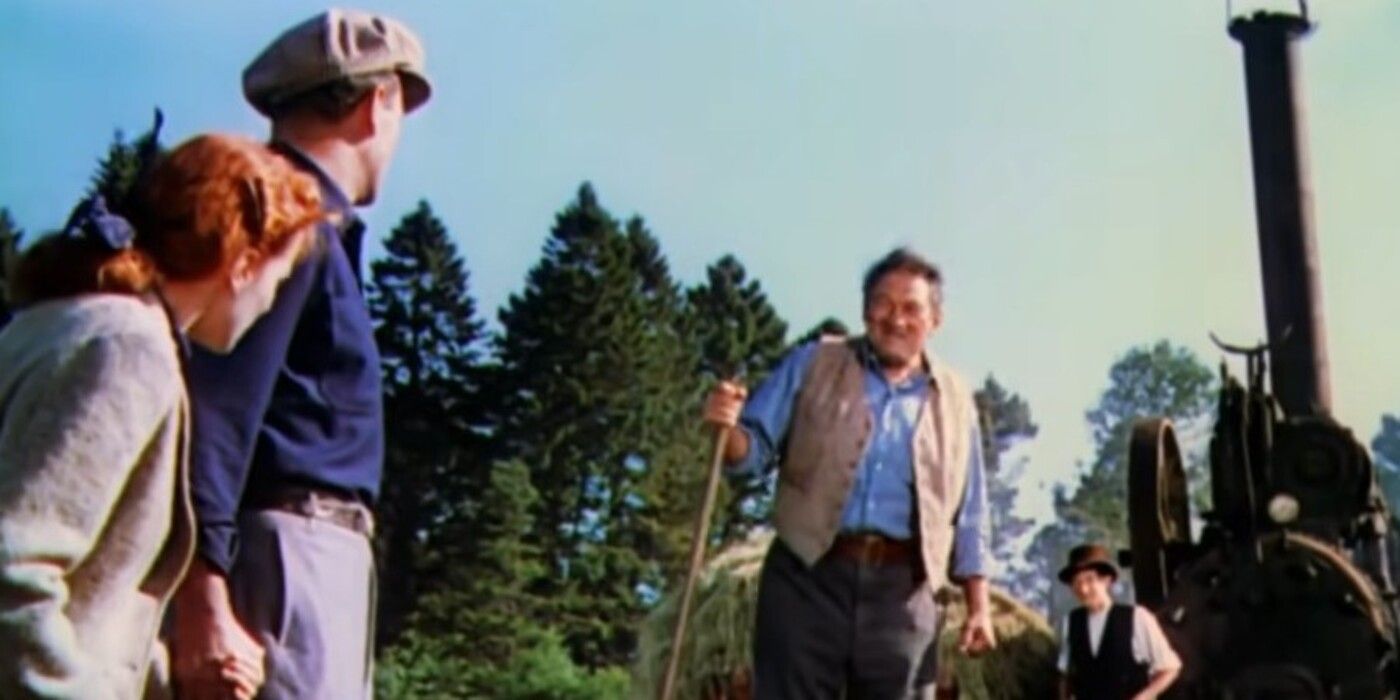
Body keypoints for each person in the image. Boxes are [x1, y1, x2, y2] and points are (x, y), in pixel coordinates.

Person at [168, 8, 431, 699]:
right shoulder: (288, 224)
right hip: (284, 557)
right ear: (380, 104)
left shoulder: (303, 225)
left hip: (312, 560)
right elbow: (214, 412)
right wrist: (205, 594)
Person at [0, 133, 320, 700]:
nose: (273, 300)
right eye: (279, 275)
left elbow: (91, 603)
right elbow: (16, 571)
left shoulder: (58, 321)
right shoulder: (129, 349)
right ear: (244, 265)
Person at [702, 247, 996, 699]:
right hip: (806, 577)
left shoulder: (957, 401)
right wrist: (726, 429)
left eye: (911, 308)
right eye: (883, 303)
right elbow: (751, 453)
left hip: (903, 591)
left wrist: (979, 607)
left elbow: (971, 512)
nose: (896, 319)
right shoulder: (813, 363)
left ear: (935, 320)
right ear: (864, 310)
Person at [1056, 544, 1182, 700]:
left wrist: (1143, 698)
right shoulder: (1071, 622)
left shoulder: (1137, 618)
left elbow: (1170, 668)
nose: (1083, 589)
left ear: (1106, 580)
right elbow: (1065, 674)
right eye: (1076, 582)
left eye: (1089, 580)